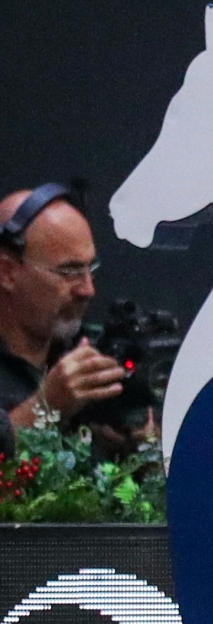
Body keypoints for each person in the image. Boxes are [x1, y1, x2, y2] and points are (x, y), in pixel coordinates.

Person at [0, 184, 127, 440]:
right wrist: (47, 406)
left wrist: (136, 443)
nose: (87, 290)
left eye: (91, 269)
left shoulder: (86, 354)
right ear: (7, 272)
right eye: (69, 271)